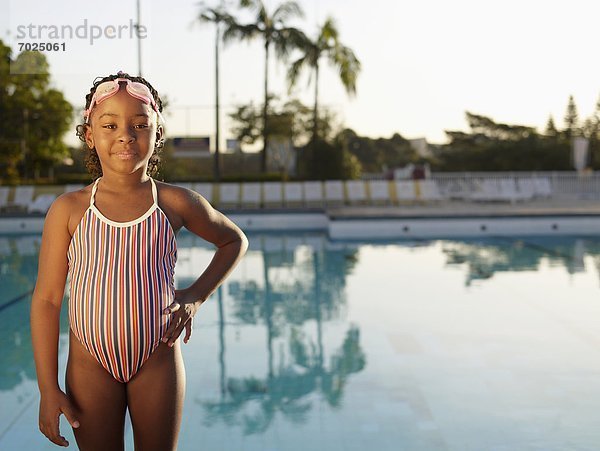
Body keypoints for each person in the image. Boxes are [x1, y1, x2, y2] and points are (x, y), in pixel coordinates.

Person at [30, 71, 248, 450]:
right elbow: (47, 300)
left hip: (157, 359)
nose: (125, 135)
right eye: (109, 124)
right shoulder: (69, 210)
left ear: (157, 133)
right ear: (88, 134)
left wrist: (196, 296)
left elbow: (233, 241)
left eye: (140, 124)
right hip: (89, 365)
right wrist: (48, 389)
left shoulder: (175, 203)